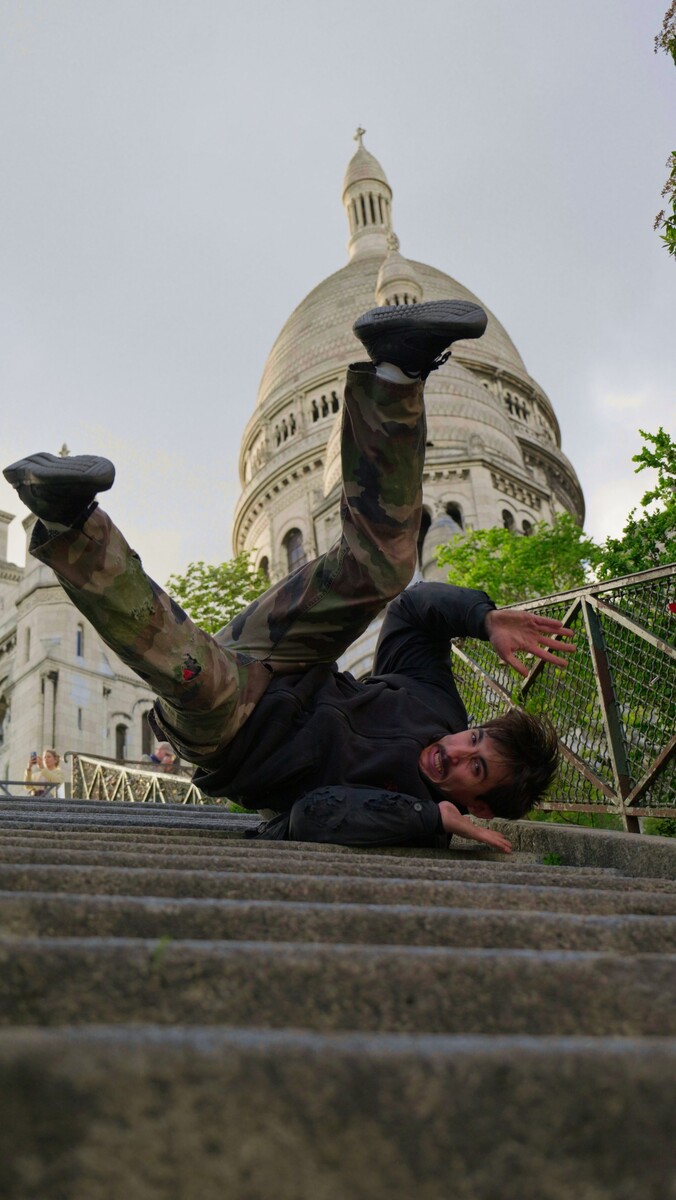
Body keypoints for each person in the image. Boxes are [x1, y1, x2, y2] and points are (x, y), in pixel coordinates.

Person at [4, 301, 574, 852]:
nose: (456, 750)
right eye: (473, 739)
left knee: (196, 678)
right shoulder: (436, 707)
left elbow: (312, 813)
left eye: (476, 768)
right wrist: (482, 617)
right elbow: (411, 611)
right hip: (292, 660)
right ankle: (398, 371)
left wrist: (424, 818)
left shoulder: (406, 806)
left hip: (236, 735)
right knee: (386, 568)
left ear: (479, 808)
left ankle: (68, 521)